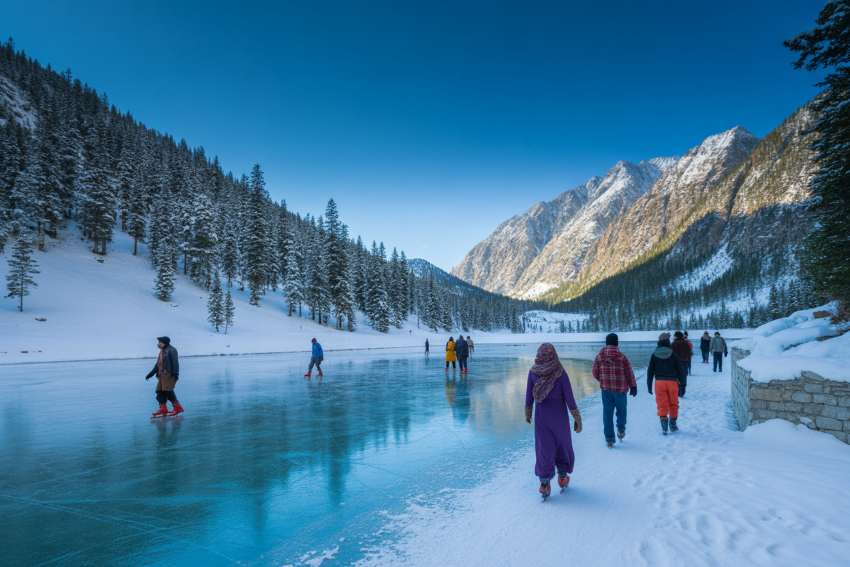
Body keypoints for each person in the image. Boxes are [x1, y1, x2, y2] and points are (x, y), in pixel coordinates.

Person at [524, 343, 582, 500]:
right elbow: (569, 397)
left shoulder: (533, 373)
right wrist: (577, 418)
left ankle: (544, 484)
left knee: (544, 449)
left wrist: (528, 412)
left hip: (542, 419)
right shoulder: (560, 373)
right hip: (559, 419)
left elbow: (529, 395)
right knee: (562, 446)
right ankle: (562, 477)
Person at [591, 333, 637, 448]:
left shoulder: (599, 356)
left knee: (607, 414)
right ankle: (621, 430)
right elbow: (629, 373)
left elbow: (594, 372)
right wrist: (633, 386)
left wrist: (603, 380)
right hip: (620, 390)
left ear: (606, 343)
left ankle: (609, 440)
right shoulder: (622, 357)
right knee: (622, 411)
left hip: (606, 390)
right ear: (617, 343)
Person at [647, 332, 686, 435]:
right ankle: (672, 424)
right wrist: (683, 384)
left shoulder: (654, 354)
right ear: (668, 342)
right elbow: (680, 370)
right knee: (674, 403)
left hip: (659, 383)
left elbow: (650, 371)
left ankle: (664, 426)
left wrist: (649, 385)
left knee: (661, 404)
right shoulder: (673, 354)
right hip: (672, 382)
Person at [145, 336, 183, 417]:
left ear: (165, 343)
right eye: (158, 342)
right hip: (162, 375)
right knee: (159, 391)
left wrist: (175, 374)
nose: (158, 344)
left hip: (169, 375)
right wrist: (151, 373)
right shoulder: (162, 351)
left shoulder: (172, 350)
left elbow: (175, 363)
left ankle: (178, 408)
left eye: (160, 342)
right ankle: (163, 409)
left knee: (168, 391)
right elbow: (158, 364)